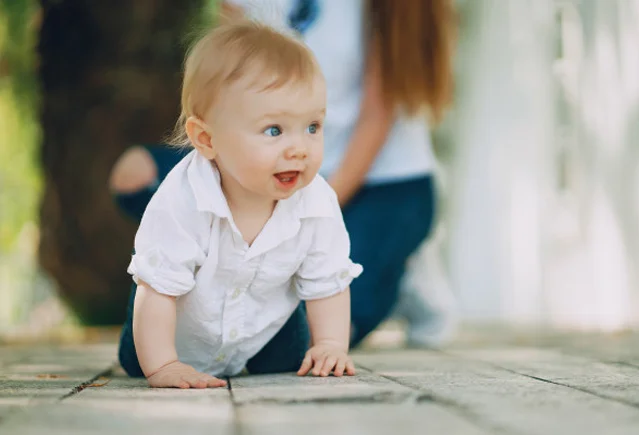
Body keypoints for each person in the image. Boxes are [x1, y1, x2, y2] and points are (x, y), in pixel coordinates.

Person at [111, 0, 456, 348]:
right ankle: (229, 269)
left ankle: (393, 266)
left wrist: (304, 215)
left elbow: (377, 115)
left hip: (380, 182)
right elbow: (224, 91)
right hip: (266, 162)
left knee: (307, 337)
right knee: (136, 175)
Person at [118, 20, 363, 388]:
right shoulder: (183, 200)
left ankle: (292, 346)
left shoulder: (316, 201)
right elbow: (159, 289)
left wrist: (330, 344)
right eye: (274, 130)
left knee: (291, 358)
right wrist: (163, 365)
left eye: (313, 126)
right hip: (177, 336)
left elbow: (328, 280)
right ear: (206, 139)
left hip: (267, 331)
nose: (299, 147)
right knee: (138, 358)